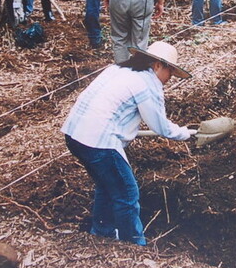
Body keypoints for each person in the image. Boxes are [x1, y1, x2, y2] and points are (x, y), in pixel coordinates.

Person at [61, 42, 193, 245]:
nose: (169, 79)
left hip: (74, 133)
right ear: (158, 65)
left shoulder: (118, 69)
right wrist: (185, 134)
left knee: (107, 184)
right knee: (126, 192)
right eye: (170, 72)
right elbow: (160, 126)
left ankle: (102, 232)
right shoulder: (147, 83)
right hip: (99, 141)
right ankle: (133, 244)